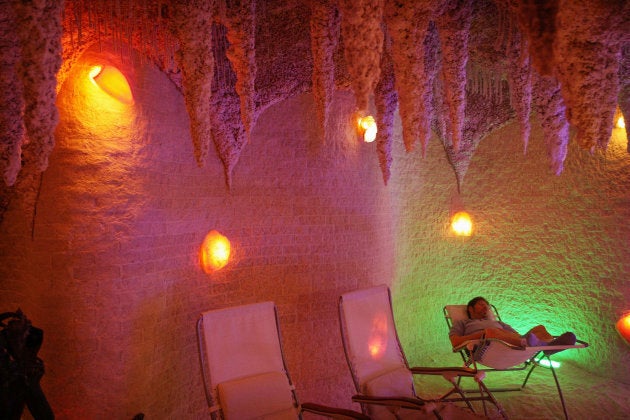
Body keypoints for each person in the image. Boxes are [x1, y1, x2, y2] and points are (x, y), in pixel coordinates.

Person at [449, 296, 576, 355]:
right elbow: (455, 343)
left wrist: (514, 336)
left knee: (540, 328)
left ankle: (547, 346)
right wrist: (482, 334)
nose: (486, 307)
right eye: (481, 304)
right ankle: (543, 346)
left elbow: (515, 335)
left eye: (487, 305)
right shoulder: (463, 323)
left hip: (512, 344)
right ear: (470, 309)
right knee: (492, 332)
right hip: (486, 348)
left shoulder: (498, 323)